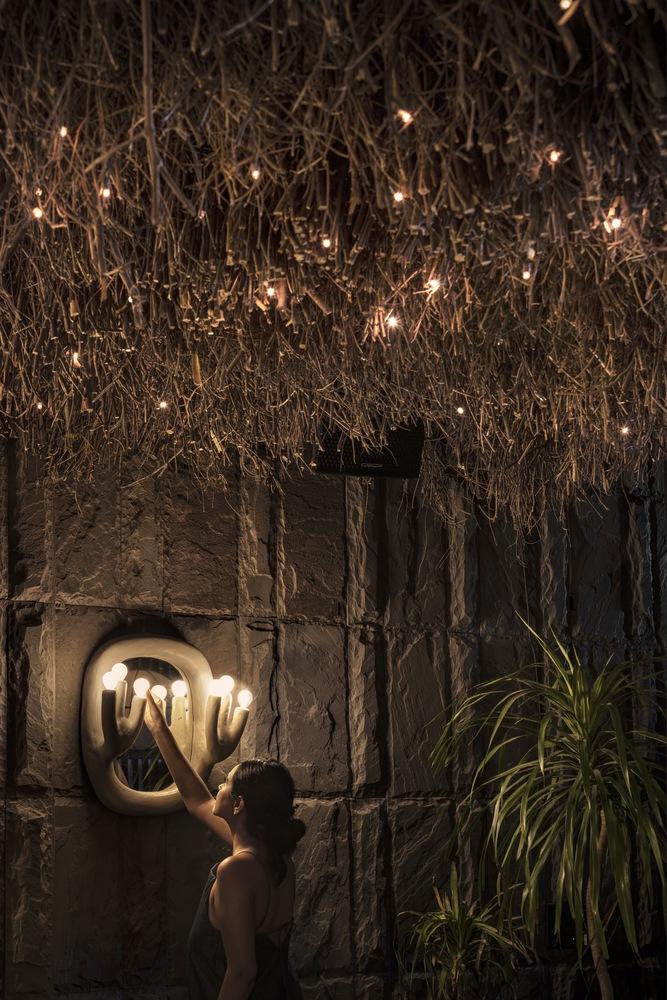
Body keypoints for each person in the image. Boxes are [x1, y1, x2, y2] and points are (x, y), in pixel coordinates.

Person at [144, 690, 305, 1000]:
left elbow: (243, 973)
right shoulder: (273, 857)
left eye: (226, 783)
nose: (218, 786)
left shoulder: (236, 871)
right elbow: (198, 801)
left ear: (239, 804)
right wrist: (158, 728)